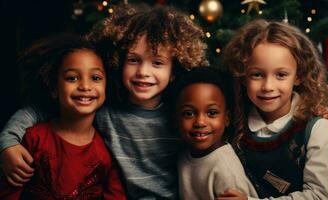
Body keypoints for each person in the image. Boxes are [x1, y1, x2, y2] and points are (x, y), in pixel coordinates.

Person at [0, 4, 208, 199]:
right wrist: (8, 142)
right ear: (118, 60)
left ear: (175, 70)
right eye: (133, 60)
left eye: (157, 63)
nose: (143, 72)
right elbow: (39, 110)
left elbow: (209, 150)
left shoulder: (181, 116)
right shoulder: (104, 108)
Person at [218, 19, 328, 200]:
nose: (268, 86)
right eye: (257, 74)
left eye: (281, 75)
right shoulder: (234, 120)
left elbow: (319, 196)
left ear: (299, 75)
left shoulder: (315, 128)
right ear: (243, 76)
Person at [0, 33, 126, 199]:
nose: (85, 86)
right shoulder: (34, 138)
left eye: (95, 78)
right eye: (72, 78)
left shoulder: (107, 151)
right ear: (54, 88)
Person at [173, 67, 258, 200]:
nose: (200, 122)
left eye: (211, 113)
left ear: (226, 118)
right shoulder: (183, 155)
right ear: (177, 119)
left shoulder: (226, 170)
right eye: (189, 113)